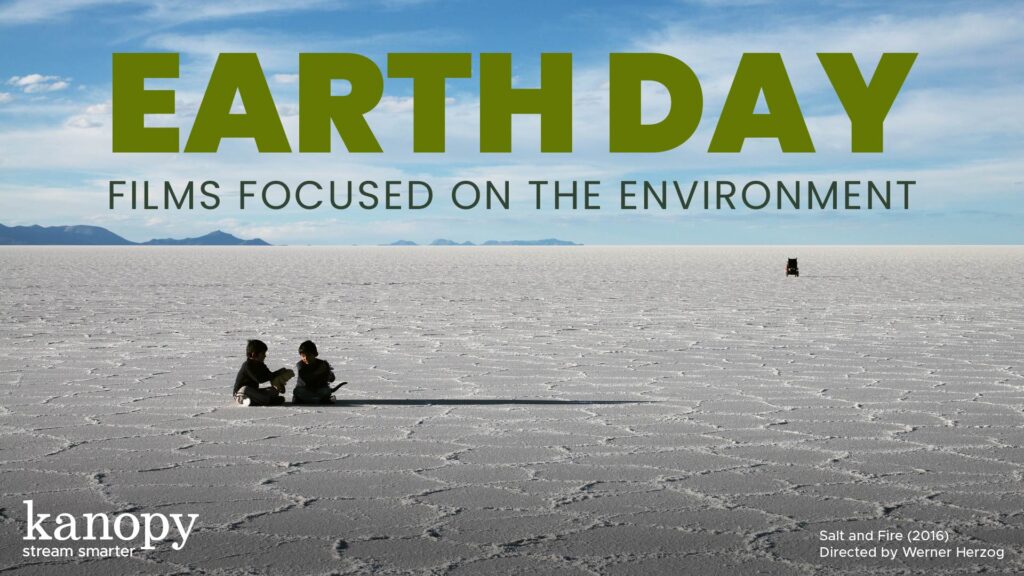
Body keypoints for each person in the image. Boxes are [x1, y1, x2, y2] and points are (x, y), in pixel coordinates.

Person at [233, 339, 294, 406]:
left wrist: (279, 385)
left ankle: (255, 401)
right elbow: (259, 379)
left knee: (272, 390)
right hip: (241, 394)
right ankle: (267, 400)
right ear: (254, 354)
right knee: (246, 389)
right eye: (263, 353)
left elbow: (270, 376)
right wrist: (276, 373)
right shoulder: (247, 365)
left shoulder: (261, 365)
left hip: (254, 393)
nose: (265, 356)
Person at [292, 340, 346, 404]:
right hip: (305, 389)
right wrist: (318, 372)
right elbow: (306, 379)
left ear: (315, 354)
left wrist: (328, 373)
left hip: (319, 390)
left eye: (309, 355)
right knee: (297, 391)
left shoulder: (322, 364)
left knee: (325, 391)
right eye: (303, 356)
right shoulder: (300, 365)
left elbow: (332, 379)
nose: (306, 358)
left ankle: (312, 399)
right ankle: (320, 399)